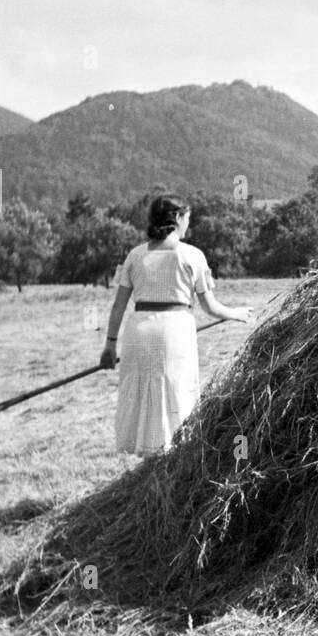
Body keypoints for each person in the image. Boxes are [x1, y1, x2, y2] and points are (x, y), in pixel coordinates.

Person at [100, 195, 251, 454]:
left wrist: (110, 345)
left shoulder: (134, 256)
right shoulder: (193, 255)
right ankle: (171, 454)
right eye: (187, 218)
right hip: (174, 332)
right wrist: (236, 313)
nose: (188, 224)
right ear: (178, 218)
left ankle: (146, 454)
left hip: (138, 330)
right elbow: (210, 307)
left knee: (140, 393)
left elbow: (118, 307)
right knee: (175, 392)